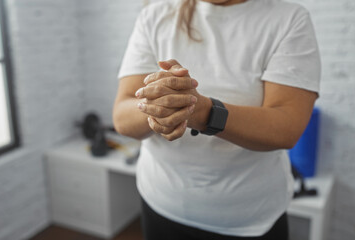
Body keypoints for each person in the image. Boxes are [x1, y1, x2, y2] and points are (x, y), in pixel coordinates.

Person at [113, 0, 321, 239]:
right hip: (160, 204)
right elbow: (122, 116)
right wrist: (162, 104)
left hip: (249, 220)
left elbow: (286, 127)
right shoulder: (154, 15)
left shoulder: (289, 19)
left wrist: (203, 112)